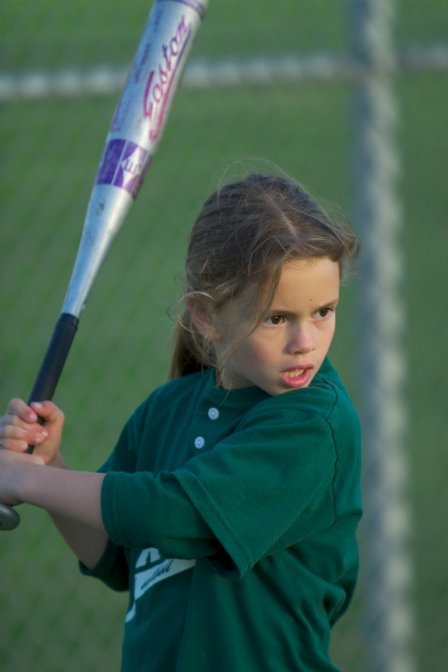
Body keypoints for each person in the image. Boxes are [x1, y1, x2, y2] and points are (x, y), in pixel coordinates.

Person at [0, 170, 362, 671]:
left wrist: (27, 480)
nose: (306, 342)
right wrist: (50, 465)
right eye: (276, 318)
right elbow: (114, 552)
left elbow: (180, 516)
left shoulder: (312, 426)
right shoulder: (166, 410)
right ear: (206, 317)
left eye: (323, 311)